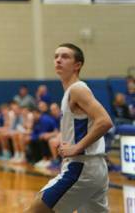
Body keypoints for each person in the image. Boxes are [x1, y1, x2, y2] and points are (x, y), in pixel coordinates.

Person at [25, 43, 113, 213]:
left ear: (77, 65)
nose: (58, 60)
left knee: (36, 209)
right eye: (56, 56)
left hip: (81, 168)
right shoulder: (70, 92)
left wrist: (77, 147)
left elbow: (104, 121)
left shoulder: (77, 90)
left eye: (65, 57)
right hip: (94, 168)